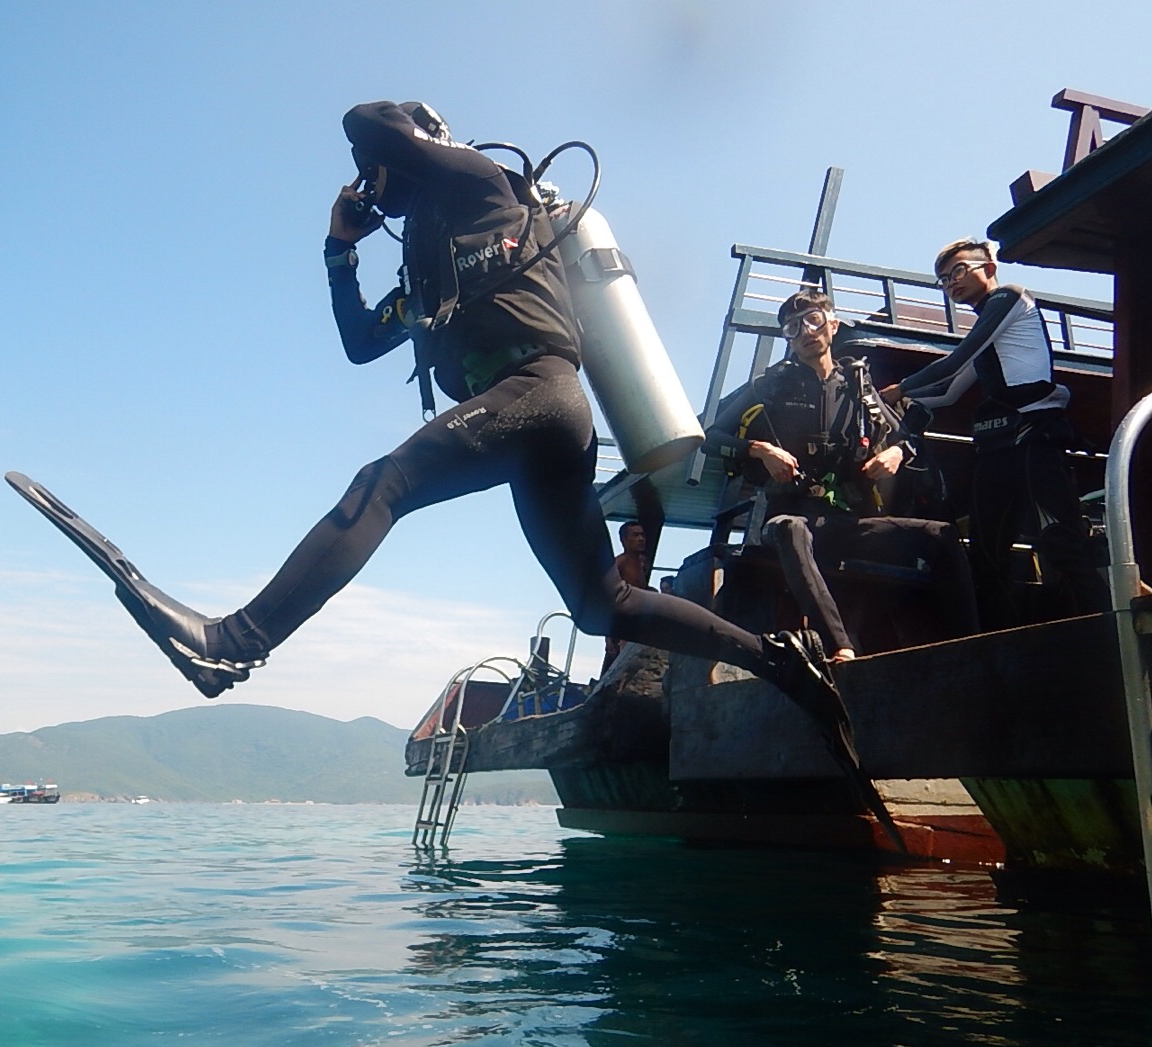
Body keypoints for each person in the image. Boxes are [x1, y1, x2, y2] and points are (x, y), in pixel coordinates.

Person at [99, 100, 849, 731]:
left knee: (384, 484)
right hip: (539, 424)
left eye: (376, 171)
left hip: (538, 392)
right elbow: (362, 343)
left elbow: (366, 120)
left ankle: (235, 642)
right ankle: (775, 659)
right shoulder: (433, 262)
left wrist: (408, 146)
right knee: (600, 602)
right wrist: (338, 247)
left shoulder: (484, 184)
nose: (369, 181)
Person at [706, 289, 979, 661]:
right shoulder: (771, 385)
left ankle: (972, 640)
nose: (804, 331)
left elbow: (909, 438)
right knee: (791, 528)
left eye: (813, 321)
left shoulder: (858, 386)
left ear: (832, 325)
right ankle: (840, 648)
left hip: (846, 524)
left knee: (941, 535)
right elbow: (709, 438)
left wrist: (897, 452)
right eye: (792, 328)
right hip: (788, 521)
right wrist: (761, 449)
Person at [880, 239, 1107, 629]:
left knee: (1059, 542)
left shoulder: (1010, 298)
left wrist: (902, 386)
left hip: (1034, 439)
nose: (951, 283)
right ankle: (997, 639)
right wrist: (896, 417)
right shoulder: (989, 330)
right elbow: (948, 392)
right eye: (943, 279)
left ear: (988, 265)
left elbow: (956, 360)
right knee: (986, 553)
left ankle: (1109, 630)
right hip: (997, 446)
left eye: (959, 271)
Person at [601, 522, 653, 674]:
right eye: (635, 535)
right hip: (622, 623)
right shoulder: (619, 563)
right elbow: (608, 597)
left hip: (638, 622)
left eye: (642, 535)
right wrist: (608, 635)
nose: (641, 539)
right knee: (619, 666)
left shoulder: (643, 563)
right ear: (624, 540)